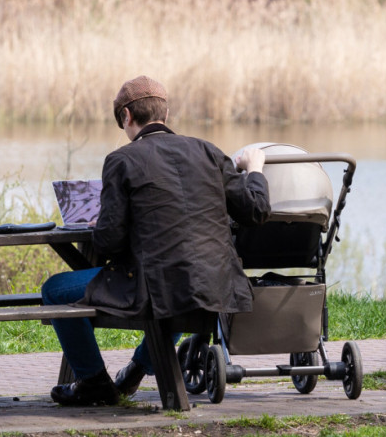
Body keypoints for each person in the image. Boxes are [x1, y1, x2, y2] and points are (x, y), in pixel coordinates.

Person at [41, 75, 271, 406]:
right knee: (178, 285)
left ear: (126, 117)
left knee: (55, 291)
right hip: (218, 284)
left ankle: (93, 382)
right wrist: (256, 169)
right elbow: (257, 210)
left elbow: (108, 243)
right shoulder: (209, 152)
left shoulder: (121, 160)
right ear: (165, 114)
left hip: (156, 288)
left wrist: (108, 222)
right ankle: (135, 372)